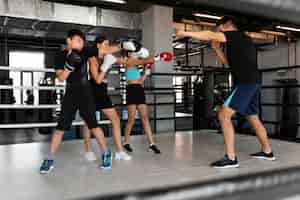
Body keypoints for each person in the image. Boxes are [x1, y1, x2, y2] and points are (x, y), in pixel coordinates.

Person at [176, 15, 275, 168]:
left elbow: (210, 35)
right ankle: (267, 152)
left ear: (227, 24)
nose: (219, 30)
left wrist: (187, 33)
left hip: (245, 82)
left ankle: (231, 158)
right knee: (253, 117)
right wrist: (216, 49)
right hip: (252, 81)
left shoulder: (235, 35)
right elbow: (229, 64)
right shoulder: (242, 40)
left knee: (223, 114)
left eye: (219, 26)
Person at [39, 29, 112, 174]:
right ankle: (49, 159)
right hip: (71, 93)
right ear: (69, 41)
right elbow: (60, 78)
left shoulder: (85, 51)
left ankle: (106, 153)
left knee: (93, 125)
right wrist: (68, 67)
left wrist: (123, 46)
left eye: (82, 41)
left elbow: (104, 49)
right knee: (60, 128)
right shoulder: (60, 56)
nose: (81, 43)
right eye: (78, 40)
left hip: (85, 92)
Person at [82, 34, 131, 161]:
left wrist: (151, 58)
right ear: (98, 45)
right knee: (89, 123)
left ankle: (120, 151)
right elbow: (97, 80)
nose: (107, 47)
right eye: (105, 44)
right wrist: (106, 65)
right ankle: (88, 151)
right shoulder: (92, 58)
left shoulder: (108, 57)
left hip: (102, 92)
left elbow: (126, 62)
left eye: (108, 45)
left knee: (115, 119)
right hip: (91, 91)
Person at [120, 42, 173, 154]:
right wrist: (159, 57)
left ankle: (151, 144)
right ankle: (126, 142)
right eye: (134, 53)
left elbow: (140, 81)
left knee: (145, 118)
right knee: (131, 119)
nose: (137, 54)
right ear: (129, 54)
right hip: (131, 90)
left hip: (139, 90)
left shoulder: (136, 67)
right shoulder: (129, 62)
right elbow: (144, 60)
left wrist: (145, 73)